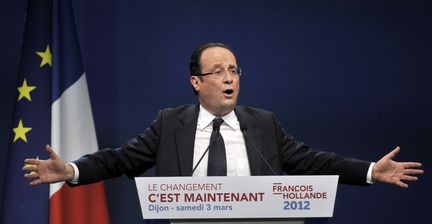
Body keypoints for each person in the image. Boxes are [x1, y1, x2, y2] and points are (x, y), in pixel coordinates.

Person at [23, 43, 423, 189]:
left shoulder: (262, 124)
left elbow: (314, 161)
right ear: (196, 82)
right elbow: (118, 159)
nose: (229, 78)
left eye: (234, 71)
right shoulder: (169, 123)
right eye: (218, 72)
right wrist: (72, 171)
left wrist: (370, 170)